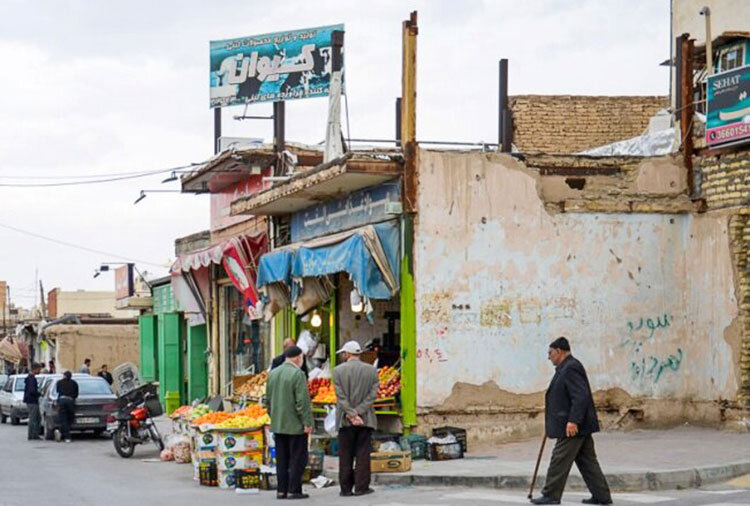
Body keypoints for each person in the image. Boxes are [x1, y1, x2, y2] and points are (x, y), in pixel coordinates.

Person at [530, 337, 612, 505]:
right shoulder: (565, 367)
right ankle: (602, 496)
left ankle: (551, 495)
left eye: (550, 353)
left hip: (572, 426)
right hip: (573, 425)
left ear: (559, 351)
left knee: (559, 459)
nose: (548, 357)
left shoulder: (571, 367)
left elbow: (580, 397)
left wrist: (573, 421)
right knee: (587, 461)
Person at [266, 346, 313, 500]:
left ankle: (281, 490)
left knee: (281, 459)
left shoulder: (272, 374)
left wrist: (273, 417)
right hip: (295, 425)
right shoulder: (298, 374)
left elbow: (268, 400)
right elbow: (302, 402)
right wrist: (307, 422)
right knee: (297, 458)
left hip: (278, 424)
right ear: (298, 358)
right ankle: (294, 490)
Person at [333, 340, 379, 497]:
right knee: (362, 454)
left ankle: (345, 489)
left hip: (345, 420)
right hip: (365, 419)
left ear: (346, 354)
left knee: (345, 454)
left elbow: (340, 396)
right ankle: (361, 487)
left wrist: (351, 414)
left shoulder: (338, 371)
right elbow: (373, 395)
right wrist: (359, 413)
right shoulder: (371, 371)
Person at [55, 371, 79, 443]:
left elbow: (57, 391)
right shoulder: (74, 383)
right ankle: (63, 433)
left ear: (64, 376)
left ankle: (64, 434)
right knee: (70, 418)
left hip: (62, 401)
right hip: (70, 401)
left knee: (63, 419)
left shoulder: (59, 382)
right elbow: (76, 393)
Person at [23, 363, 43, 440]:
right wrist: (39, 394)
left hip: (30, 400)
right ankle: (32, 435)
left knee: (36, 418)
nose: (40, 371)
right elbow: (32, 391)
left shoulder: (30, 378)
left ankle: (34, 434)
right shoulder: (32, 379)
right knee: (33, 418)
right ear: (35, 369)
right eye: (39, 369)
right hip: (32, 401)